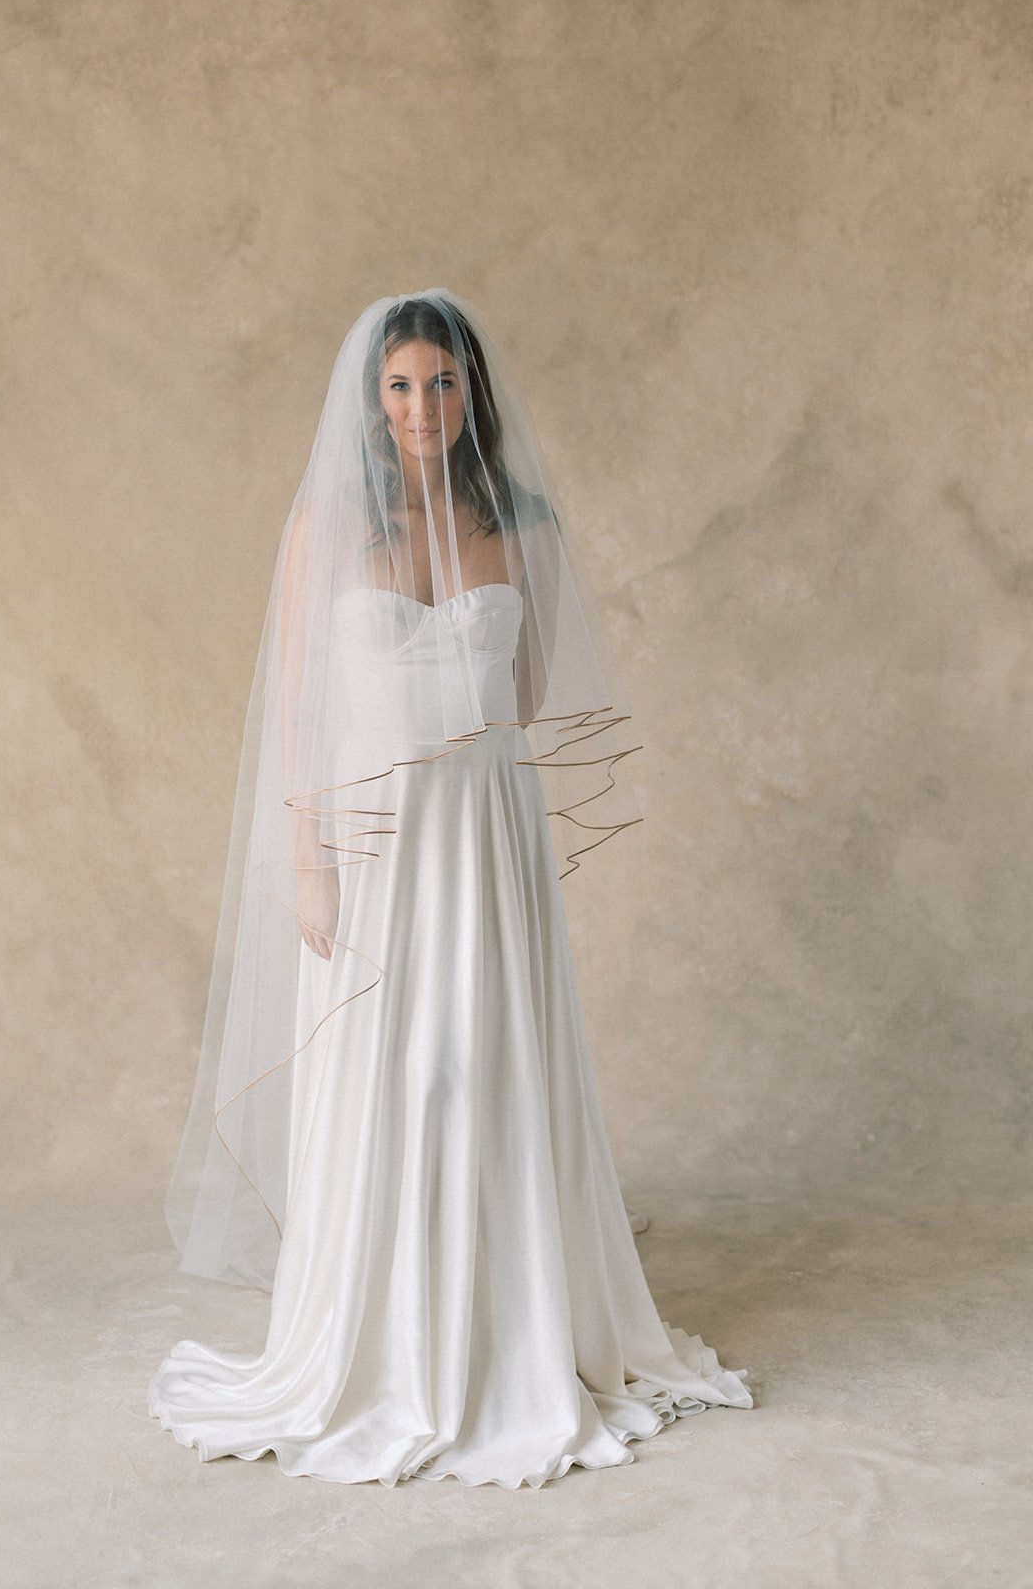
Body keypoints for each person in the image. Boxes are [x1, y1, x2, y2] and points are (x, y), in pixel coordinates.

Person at [147, 288, 753, 1487]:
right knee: (397, 1069)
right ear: (372, 404)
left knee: (487, 1063)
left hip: (484, 833)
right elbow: (297, 708)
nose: (423, 406)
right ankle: (389, 1338)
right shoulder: (328, 527)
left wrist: (458, 728)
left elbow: (524, 693)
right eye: (400, 385)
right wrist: (312, 862)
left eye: (442, 382)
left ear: (472, 392)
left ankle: (507, 1324)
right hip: (377, 840)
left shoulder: (521, 526)